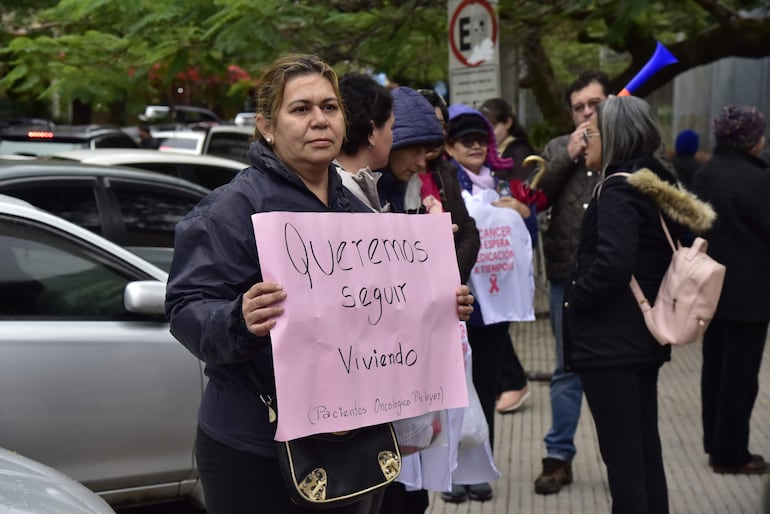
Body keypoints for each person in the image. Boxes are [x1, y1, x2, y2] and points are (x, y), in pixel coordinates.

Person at [165, 53, 475, 513]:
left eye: (329, 108)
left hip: (354, 438)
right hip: (256, 449)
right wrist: (238, 318)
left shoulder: (359, 212)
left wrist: (441, 302)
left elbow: (380, 314)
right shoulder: (230, 209)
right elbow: (187, 310)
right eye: (301, 109)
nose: (319, 121)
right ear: (267, 126)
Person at [565, 94, 716, 514]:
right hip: (638, 340)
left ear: (613, 136)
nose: (586, 139)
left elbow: (613, 263)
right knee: (644, 455)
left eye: (591, 132)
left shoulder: (617, 189)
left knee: (625, 464)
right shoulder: (653, 184)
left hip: (610, 343)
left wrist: (577, 296)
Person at [372, 86, 485, 513]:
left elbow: (467, 232)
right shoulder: (357, 196)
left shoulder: (434, 178)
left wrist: (446, 280)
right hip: (382, 370)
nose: (425, 161)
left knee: (414, 482)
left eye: (434, 145)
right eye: (418, 146)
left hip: (420, 364)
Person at [439, 104, 533, 503]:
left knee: (487, 385)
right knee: (455, 391)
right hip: (459, 303)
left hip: (495, 308)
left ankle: (481, 468)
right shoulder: (442, 182)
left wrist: (523, 213)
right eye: (466, 140)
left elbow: (526, 240)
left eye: (482, 139)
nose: (476, 146)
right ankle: (452, 471)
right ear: (450, 145)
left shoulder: (504, 182)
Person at [533, 70, 610, 495]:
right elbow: (536, 196)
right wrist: (569, 153)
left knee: (611, 373)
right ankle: (558, 456)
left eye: (593, 104)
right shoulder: (558, 148)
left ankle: (618, 458)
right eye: (579, 106)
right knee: (566, 371)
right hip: (566, 278)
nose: (586, 113)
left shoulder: (627, 142)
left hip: (615, 283)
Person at [690, 105, 770, 475]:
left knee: (715, 370)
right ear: (751, 139)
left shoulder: (706, 175)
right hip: (750, 296)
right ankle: (730, 454)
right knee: (741, 377)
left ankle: (715, 442)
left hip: (710, 291)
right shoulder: (759, 181)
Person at [480, 96, 534, 414]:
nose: (487, 135)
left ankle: (513, 381)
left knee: (497, 316)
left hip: (506, 247)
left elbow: (523, 203)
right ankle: (510, 381)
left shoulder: (518, 155)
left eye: (492, 126)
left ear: (508, 123)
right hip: (492, 248)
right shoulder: (497, 153)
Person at [335, 72, 394, 212]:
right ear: (372, 131)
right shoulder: (343, 194)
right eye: (391, 127)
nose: (393, 137)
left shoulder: (336, 184)